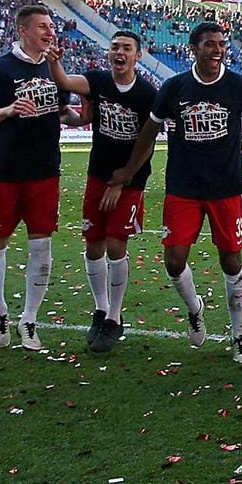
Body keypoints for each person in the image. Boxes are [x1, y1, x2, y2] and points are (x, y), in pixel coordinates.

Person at [110, 21, 242, 364]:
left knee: (231, 259)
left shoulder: (240, 86)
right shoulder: (175, 87)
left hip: (225, 188)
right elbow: (149, 130)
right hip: (183, 187)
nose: (218, 50)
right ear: (193, 48)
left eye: (221, 44)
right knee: (174, 259)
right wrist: (130, 170)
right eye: (210, 44)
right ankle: (195, 308)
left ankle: (238, 335)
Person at [44, 29, 159, 353]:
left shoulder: (147, 95)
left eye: (126, 48)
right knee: (93, 245)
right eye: (114, 47)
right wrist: (55, 64)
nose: (119, 52)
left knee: (114, 243)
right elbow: (66, 82)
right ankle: (100, 309)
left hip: (130, 179)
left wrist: (123, 180)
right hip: (98, 174)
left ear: (138, 55)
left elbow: (148, 143)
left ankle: (115, 317)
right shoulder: (98, 81)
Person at [0, 4, 68, 350]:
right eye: (42, 26)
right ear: (23, 30)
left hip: (44, 171)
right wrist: (10, 110)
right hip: (5, 171)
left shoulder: (53, 69)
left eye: (51, 26)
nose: (49, 31)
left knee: (42, 246)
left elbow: (64, 110)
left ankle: (29, 319)